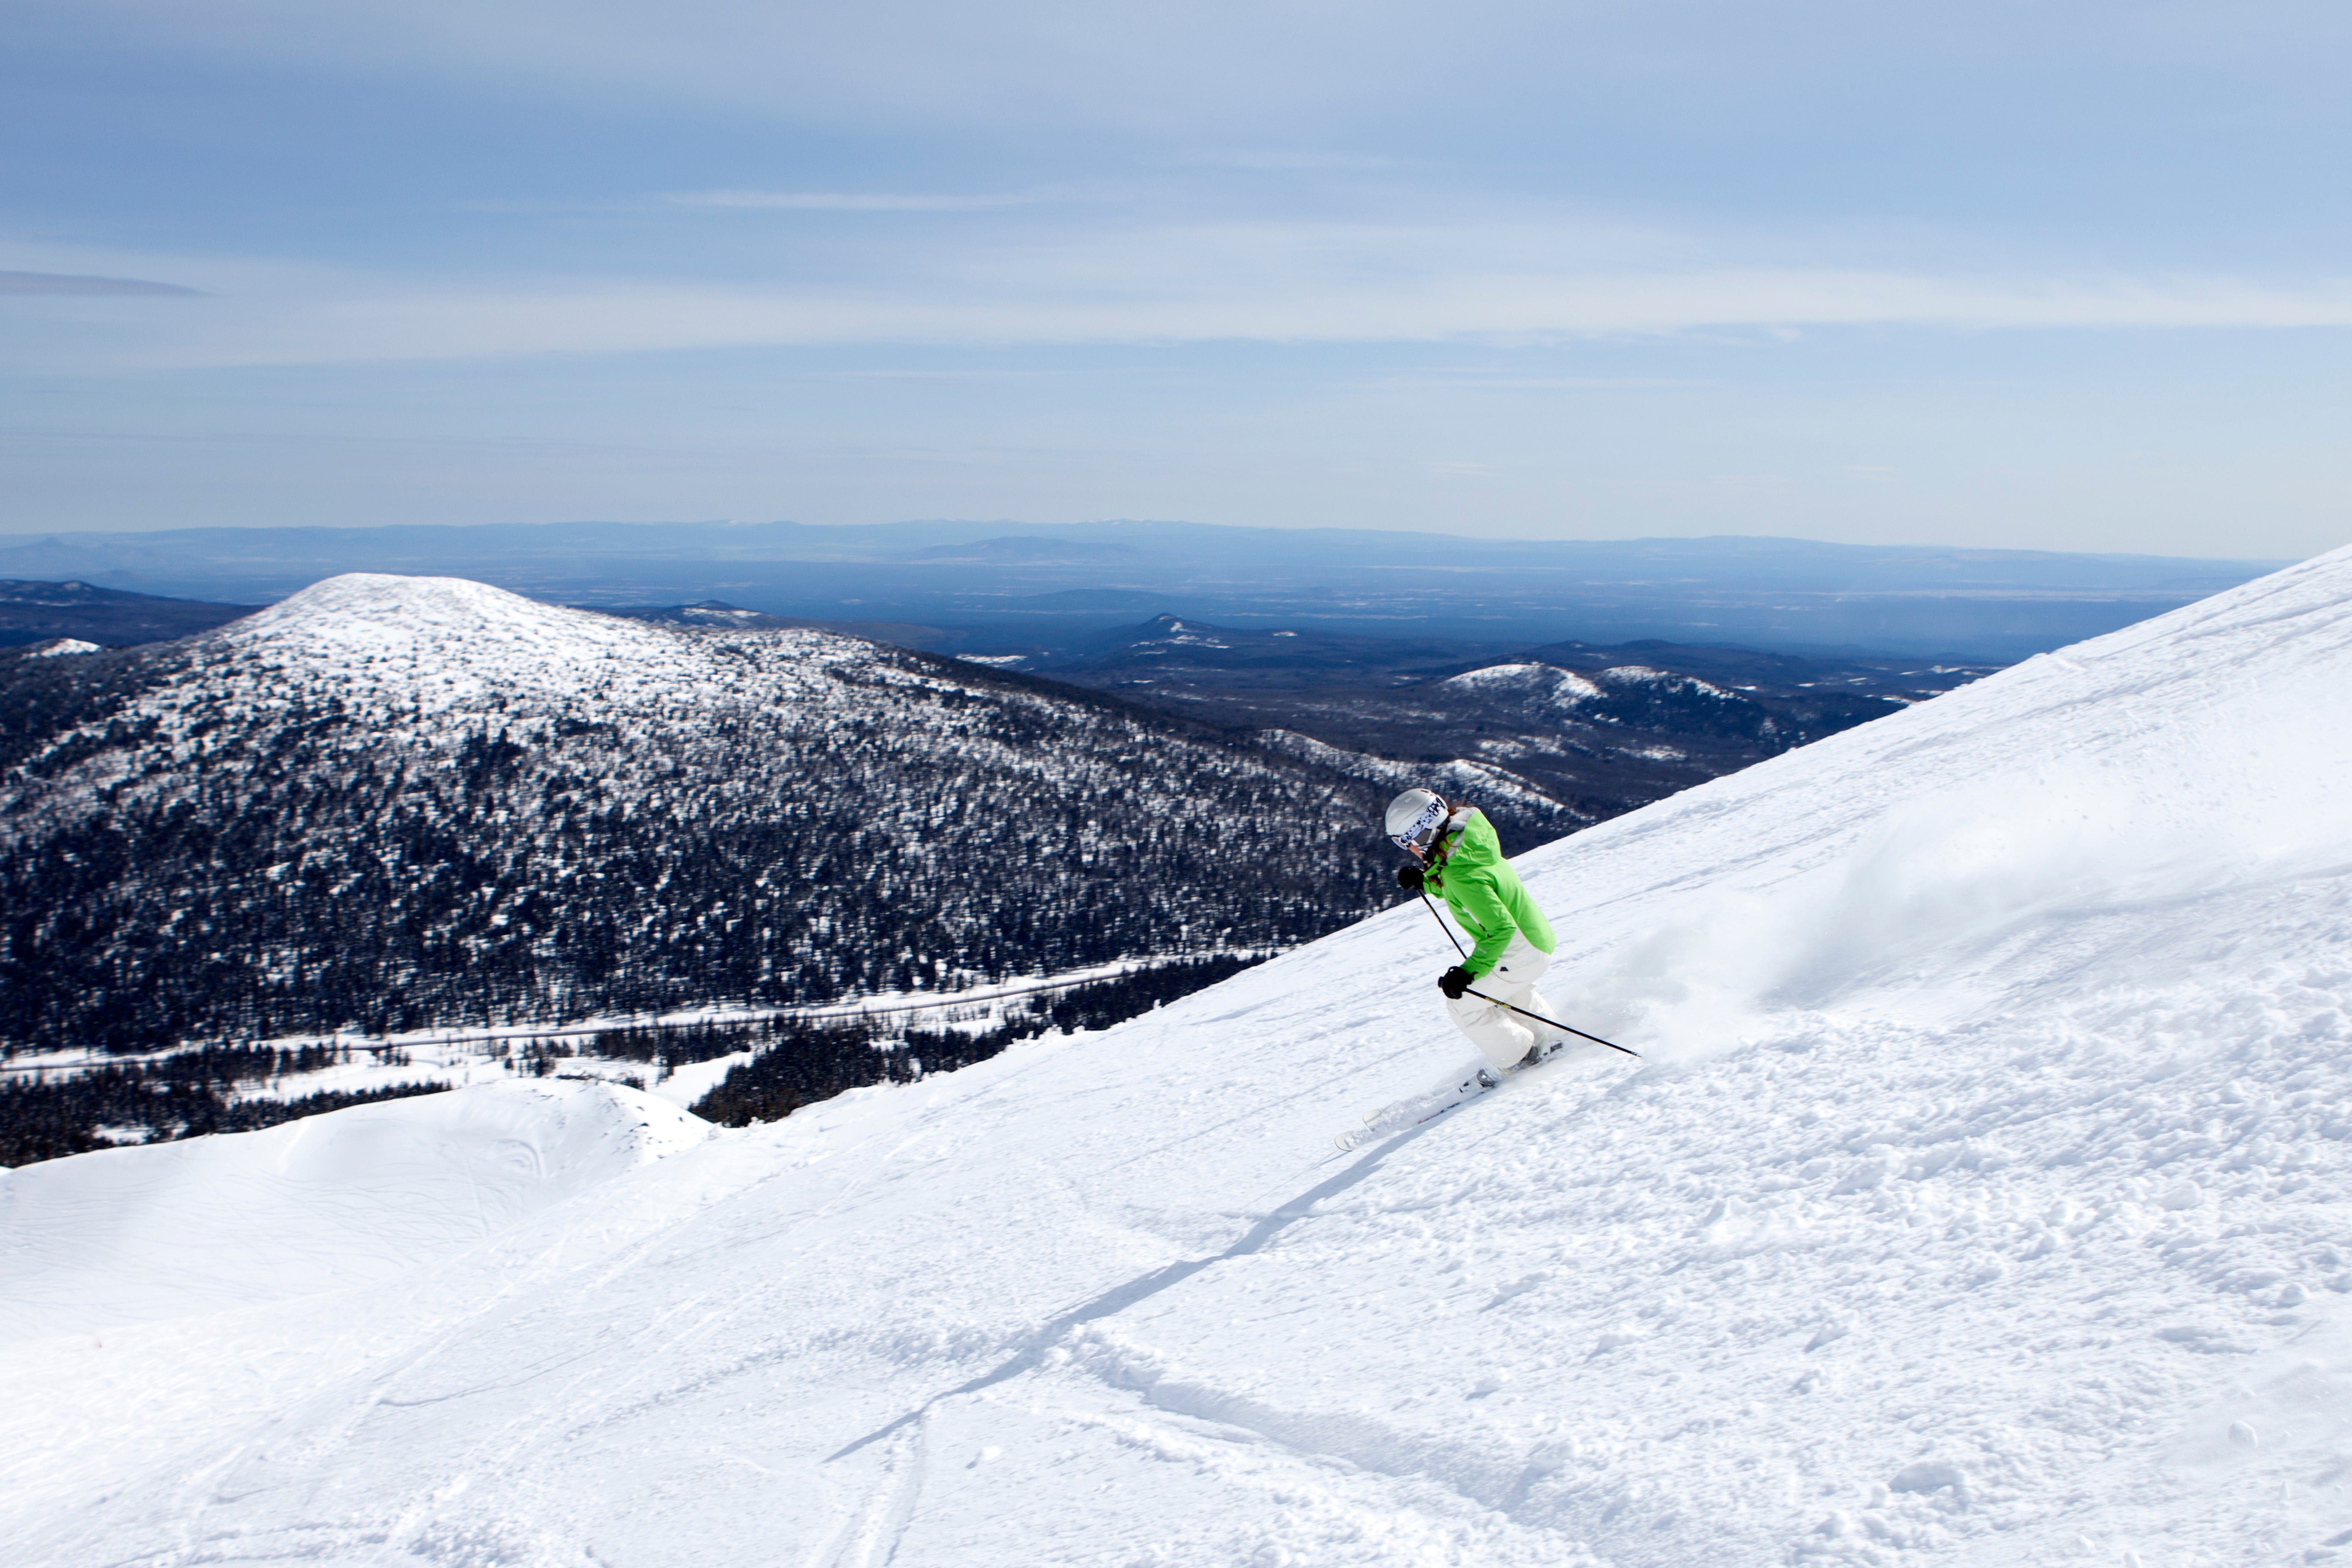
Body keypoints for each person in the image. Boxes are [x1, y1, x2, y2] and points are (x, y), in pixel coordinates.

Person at [1386, 787, 1568, 1076]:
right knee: (1508, 989)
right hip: (1534, 940)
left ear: (1424, 833)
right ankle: (1552, 1038)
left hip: (1520, 950)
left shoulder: (1459, 873)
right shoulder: (1468, 842)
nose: (1409, 849)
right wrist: (1427, 881)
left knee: (1463, 1005)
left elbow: (1499, 927)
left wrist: (1467, 972)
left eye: (1406, 841)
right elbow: (1468, 886)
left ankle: (1521, 1058)